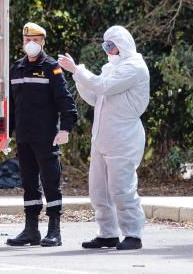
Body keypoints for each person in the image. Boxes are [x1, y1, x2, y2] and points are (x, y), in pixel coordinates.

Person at [57, 25, 150, 251]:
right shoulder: (111, 68)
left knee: (122, 189)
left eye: (111, 46)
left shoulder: (134, 67)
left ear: (123, 45)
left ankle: (133, 234)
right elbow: (94, 96)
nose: (108, 50)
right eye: (105, 45)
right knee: (99, 191)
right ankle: (107, 234)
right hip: (102, 137)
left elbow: (103, 87)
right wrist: (78, 76)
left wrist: (78, 71)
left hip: (123, 138)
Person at [6, 22, 78, 248]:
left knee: (50, 183)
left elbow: (66, 102)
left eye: (36, 40)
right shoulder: (16, 68)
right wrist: (6, 134)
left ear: (43, 42)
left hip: (46, 137)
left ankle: (54, 230)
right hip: (24, 137)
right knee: (29, 183)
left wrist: (65, 128)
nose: (31, 44)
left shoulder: (52, 68)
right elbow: (10, 107)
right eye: (28, 40)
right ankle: (31, 230)